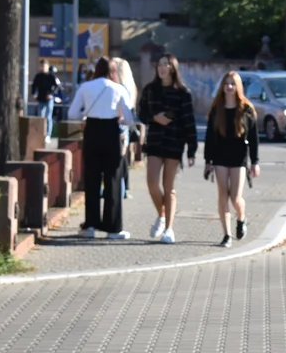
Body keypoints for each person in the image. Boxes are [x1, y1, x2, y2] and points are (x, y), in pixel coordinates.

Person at [67, 57, 135, 240]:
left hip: (92, 131)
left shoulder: (85, 87)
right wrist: (119, 118)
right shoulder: (119, 89)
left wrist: (86, 114)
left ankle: (90, 225)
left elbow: (72, 113)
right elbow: (129, 118)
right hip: (111, 132)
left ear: (96, 69)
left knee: (92, 179)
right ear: (113, 71)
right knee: (113, 179)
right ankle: (113, 228)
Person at [137, 54, 198, 244]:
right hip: (155, 141)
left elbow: (189, 121)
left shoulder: (183, 92)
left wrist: (191, 149)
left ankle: (169, 229)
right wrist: (155, 118)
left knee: (169, 187)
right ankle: (161, 215)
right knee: (152, 183)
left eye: (166, 65)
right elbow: (141, 112)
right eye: (159, 64)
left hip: (174, 141)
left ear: (173, 68)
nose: (162, 68)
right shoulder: (150, 89)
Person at [204, 72, 261, 248]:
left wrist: (255, 162)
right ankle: (226, 235)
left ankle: (241, 218)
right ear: (222, 86)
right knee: (223, 195)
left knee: (235, 197)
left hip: (239, 157)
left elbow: (254, 138)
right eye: (226, 84)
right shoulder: (216, 109)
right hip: (220, 156)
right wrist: (208, 161)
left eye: (232, 84)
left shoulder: (246, 109)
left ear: (238, 87)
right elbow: (209, 137)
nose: (229, 87)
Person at [112, 57, 138, 200]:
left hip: (120, 126)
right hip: (125, 127)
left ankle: (121, 190)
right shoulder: (130, 86)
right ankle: (124, 188)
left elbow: (123, 110)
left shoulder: (121, 87)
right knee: (122, 160)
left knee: (119, 161)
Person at [31, 59, 60, 142]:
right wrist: (34, 93)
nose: (42, 68)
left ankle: (48, 135)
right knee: (41, 116)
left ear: (47, 66)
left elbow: (57, 87)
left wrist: (51, 94)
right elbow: (34, 86)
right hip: (41, 98)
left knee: (48, 117)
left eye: (43, 66)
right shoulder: (38, 76)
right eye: (41, 66)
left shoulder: (51, 76)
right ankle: (40, 133)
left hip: (49, 99)